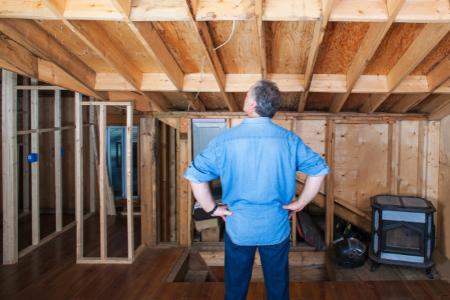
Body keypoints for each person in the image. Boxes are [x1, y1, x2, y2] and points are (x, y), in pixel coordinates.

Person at [183, 79, 330, 300]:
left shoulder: (224, 140)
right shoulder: (290, 140)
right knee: (278, 288)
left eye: (245, 96)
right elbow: (319, 169)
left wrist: (212, 210)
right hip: (276, 227)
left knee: (235, 289)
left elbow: (195, 175)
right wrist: (301, 203)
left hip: (239, 227)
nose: (244, 99)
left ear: (252, 104)